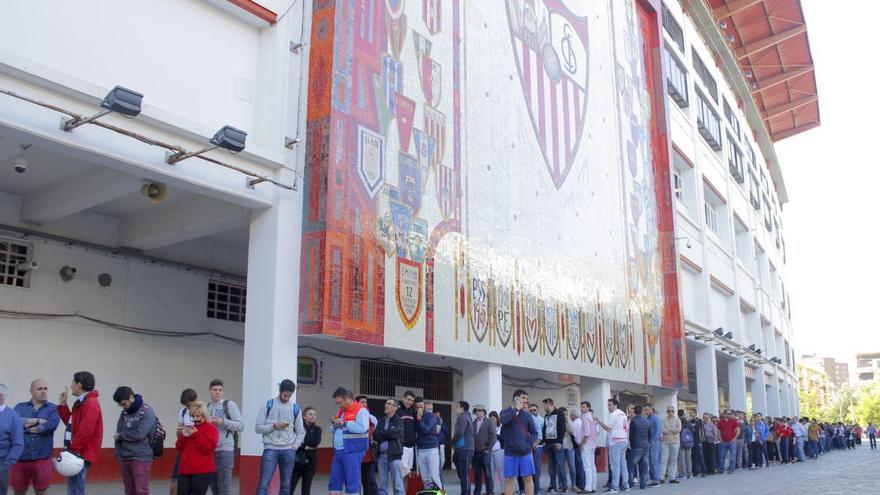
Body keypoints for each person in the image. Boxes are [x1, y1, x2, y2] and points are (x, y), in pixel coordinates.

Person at [255, 379, 305, 495]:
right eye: (285, 395)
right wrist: (274, 426)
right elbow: (258, 428)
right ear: (280, 391)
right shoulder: (268, 405)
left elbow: (300, 431)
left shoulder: (295, 408)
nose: (287, 398)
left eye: (289, 396)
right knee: (264, 483)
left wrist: (294, 447)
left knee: (286, 484)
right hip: (270, 449)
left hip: (288, 450)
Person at [57, 371, 103, 495]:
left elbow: (85, 431)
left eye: (73, 383)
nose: (71, 386)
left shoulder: (90, 404)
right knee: (74, 487)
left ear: (79, 385)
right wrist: (63, 405)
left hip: (81, 453)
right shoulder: (83, 402)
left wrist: (72, 450)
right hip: (78, 451)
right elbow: (72, 425)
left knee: (76, 488)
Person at [11, 379, 59, 495]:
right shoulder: (20, 407)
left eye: (45, 389)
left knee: (41, 491)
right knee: (19, 491)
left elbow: (51, 425)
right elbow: (14, 425)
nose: (43, 392)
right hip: (21, 458)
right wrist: (38, 423)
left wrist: (26, 427)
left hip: (42, 458)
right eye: (39, 389)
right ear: (31, 391)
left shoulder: (53, 408)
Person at [112, 386, 158, 495]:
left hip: (141, 457)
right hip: (124, 457)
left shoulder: (147, 412)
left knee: (141, 491)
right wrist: (118, 454)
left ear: (131, 398)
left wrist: (121, 436)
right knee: (129, 491)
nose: (123, 407)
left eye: (123, 404)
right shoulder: (124, 414)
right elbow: (118, 433)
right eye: (120, 405)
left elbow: (140, 434)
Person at [328, 387, 370, 495]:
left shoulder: (361, 410)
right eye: (336, 403)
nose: (338, 405)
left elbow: (363, 428)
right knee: (334, 482)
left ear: (347, 398)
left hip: (353, 450)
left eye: (339, 402)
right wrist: (334, 423)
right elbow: (332, 429)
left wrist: (345, 423)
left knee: (352, 483)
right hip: (338, 451)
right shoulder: (341, 411)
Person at [206, 379, 243, 495]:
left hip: (225, 449)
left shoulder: (229, 405)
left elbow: (241, 426)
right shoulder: (206, 407)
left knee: (224, 486)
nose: (217, 392)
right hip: (210, 450)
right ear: (210, 391)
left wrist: (224, 421)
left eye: (220, 390)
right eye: (215, 390)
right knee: (213, 486)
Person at [500, 390, 539, 495]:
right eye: (523, 398)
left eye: (526, 398)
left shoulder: (527, 415)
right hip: (510, 453)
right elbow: (503, 421)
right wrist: (515, 410)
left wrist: (528, 444)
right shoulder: (505, 412)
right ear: (516, 399)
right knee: (509, 479)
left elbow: (535, 433)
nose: (526, 400)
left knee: (528, 478)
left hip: (525, 452)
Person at [176, 401, 218, 495]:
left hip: (202, 471)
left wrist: (196, 434)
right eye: (193, 416)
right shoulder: (190, 428)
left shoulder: (211, 429)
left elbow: (209, 448)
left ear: (204, 415)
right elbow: (178, 447)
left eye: (198, 416)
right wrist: (183, 436)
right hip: (185, 470)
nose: (195, 419)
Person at [595, 398, 628, 493]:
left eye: (610, 405)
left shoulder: (613, 415)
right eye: (608, 405)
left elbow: (608, 429)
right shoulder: (623, 413)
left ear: (615, 405)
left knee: (615, 465)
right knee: (623, 464)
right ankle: (626, 485)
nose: (608, 407)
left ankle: (614, 486)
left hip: (616, 441)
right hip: (623, 440)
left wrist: (598, 421)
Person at [172, 389, 199, 495]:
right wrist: (179, 431)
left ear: (196, 400)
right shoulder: (183, 412)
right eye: (186, 406)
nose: (188, 408)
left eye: (189, 405)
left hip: (197, 451)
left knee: (195, 483)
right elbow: (178, 431)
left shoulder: (203, 412)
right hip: (184, 450)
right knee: (176, 479)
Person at [374, 399, 404, 495]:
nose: (386, 405)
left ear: (395, 408)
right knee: (382, 486)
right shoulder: (382, 420)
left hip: (394, 455)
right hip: (381, 456)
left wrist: (383, 434)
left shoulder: (399, 420)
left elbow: (394, 434)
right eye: (386, 403)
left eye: (389, 404)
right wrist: (387, 433)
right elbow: (375, 435)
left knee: (398, 486)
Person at [291, 407, 322, 495]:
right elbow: (295, 441)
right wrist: (306, 445)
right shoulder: (297, 427)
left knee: (306, 486)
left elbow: (316, 442)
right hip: (297, 460)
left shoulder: (317, 429)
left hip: (311, 461)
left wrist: (303, 443)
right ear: (304, 416)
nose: (313, 416)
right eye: (310, 414)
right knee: (291, 484)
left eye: (314, 414)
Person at [0, 383, 24, 495]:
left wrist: (5, 465)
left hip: (1, 462)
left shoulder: (13, 417)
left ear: (1, 396)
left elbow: (18, 443)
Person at [542, 398, 568, 493]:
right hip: (548, 444)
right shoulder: (546, 415)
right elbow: (544, 429)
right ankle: (552, 486)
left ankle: (564, 487)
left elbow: (563, 428)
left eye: (544, 405)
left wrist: (560, 442)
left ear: (549, 404)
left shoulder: (559, 413)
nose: (544, 407)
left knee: (560, 466)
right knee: (551, 467)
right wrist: (544, 441)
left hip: (557, 444)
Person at [356, 396, 379, 495]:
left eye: (366, 402)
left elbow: (374, 433)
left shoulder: (372, 418)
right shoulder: (353, 416)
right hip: (355, 451)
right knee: (356, 478)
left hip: (368, 452)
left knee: (369, 478)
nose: (364, 404)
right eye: (362, 402)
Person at [472, 404, 496, 495]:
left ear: (483, 412)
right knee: (477, 475)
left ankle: (490, 492)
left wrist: (488, 450)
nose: (477, 412)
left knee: (488, 475)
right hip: (475, 453)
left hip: (485, 452)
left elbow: (493, 437)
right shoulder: (473, 423)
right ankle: (477, 492)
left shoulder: (489, 422)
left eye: (479, 410)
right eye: (475, 411)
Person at [452, 401, 474, 495]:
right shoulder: (463, 417)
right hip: (461, 448)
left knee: (464, 474)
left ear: (462, 408)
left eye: (457, 406)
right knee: (463, 472)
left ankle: (465, 493)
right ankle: (466, 491)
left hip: (465, 449)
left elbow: (460, 432)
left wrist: (452, 443)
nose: (455, 408)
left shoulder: (463, 417)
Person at [627, 405, 650, 490]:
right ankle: (643, 484)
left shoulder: (633, 421)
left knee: (630, 465)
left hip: (636, 446)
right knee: (644, 466)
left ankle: (630, 482)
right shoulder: (647, 421)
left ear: (635, 412)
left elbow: (631, 436)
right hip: (645, 445)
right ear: (642, 411)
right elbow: (649, 434)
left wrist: (632, 446)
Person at [395, 391, 417, 479]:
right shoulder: (397, 411)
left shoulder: (413, 412)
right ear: (403, 398)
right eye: (408, 399)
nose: (410, 402)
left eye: (412, 401)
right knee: (401, 473)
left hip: (411, 447)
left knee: (408, 474)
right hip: (401, 447)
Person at [579, 402, 598, 494]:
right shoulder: (592, 417)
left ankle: (588, 488)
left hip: (587, 444)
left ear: (588, 408)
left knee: (587, 467)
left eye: (583, 407)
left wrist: (581, 444)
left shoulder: (586, 417)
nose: (581, 408)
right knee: (592, 466)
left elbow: (586, 434)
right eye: (581, 407)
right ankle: (593, 487)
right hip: (593, 444)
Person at [658, 406, 680, 484]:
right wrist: (672, 430)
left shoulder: (678, 420)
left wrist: (668, 429)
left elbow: (678, 430)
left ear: (674, 412)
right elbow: (662, 430)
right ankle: (661, 477)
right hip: (665, 442)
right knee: (663, 460)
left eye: (671, 411)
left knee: (673, 460)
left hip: (675, 442)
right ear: (666, 412)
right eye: (668, 411)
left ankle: (672, 477)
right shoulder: (663, 420)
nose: (670, 412)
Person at [527, 404, 544, 493]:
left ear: (537, 410)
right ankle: (530, 488)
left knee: (536, 468)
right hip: (527, 447)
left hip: (537, 447)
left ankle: (537, 489)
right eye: (531, 410)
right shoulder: (527, 419)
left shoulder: (541, 420)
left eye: (534, 410)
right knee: (528, 469)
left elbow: (541, 435)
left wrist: (535, 444)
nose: (532, 412)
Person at [644, 404, 662, 485]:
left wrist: (654, 441)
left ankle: (656, 480)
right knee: (650, 461)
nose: (646, 411)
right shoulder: (647, 418)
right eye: (645, 410)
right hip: (648, 442)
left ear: (652, 409)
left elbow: (658, 431)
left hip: (654, 442)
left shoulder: (656, 418)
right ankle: (653, 478)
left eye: (647, 410)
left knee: (654, 461)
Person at [688, 409, 706, 478]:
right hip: (691, 441)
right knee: (693, 457)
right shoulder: (690, 421)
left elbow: (698, 427)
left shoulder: (699, 420)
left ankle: (704, 471)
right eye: (690, 413)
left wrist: (693, 426)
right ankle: (695, 472)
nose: (690, 414)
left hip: (698, 441)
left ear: (695, 413)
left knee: (700, 457)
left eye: (691, 413)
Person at [677, 410, 693, 479]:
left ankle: (683, 474)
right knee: (688, 458)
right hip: (688, 442)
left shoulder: (678, 421)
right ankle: (689, 473)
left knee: (681, 459)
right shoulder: (688, 422)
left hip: (681, 442)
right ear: (683, 414)